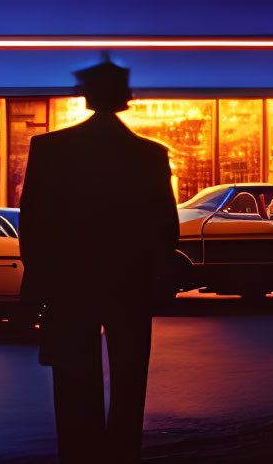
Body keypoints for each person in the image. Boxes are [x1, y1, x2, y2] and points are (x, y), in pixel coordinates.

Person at [20, 57, 178, 463]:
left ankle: (79, 454)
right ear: (126, 99)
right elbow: (166, 229)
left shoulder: (50, 149)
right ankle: (123, 453)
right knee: (129, 382)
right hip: (130, 285)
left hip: (70, 286)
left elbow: (34, 224)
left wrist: (36, 283)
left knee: (74, 383)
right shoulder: (150, 155)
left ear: (85, 96)